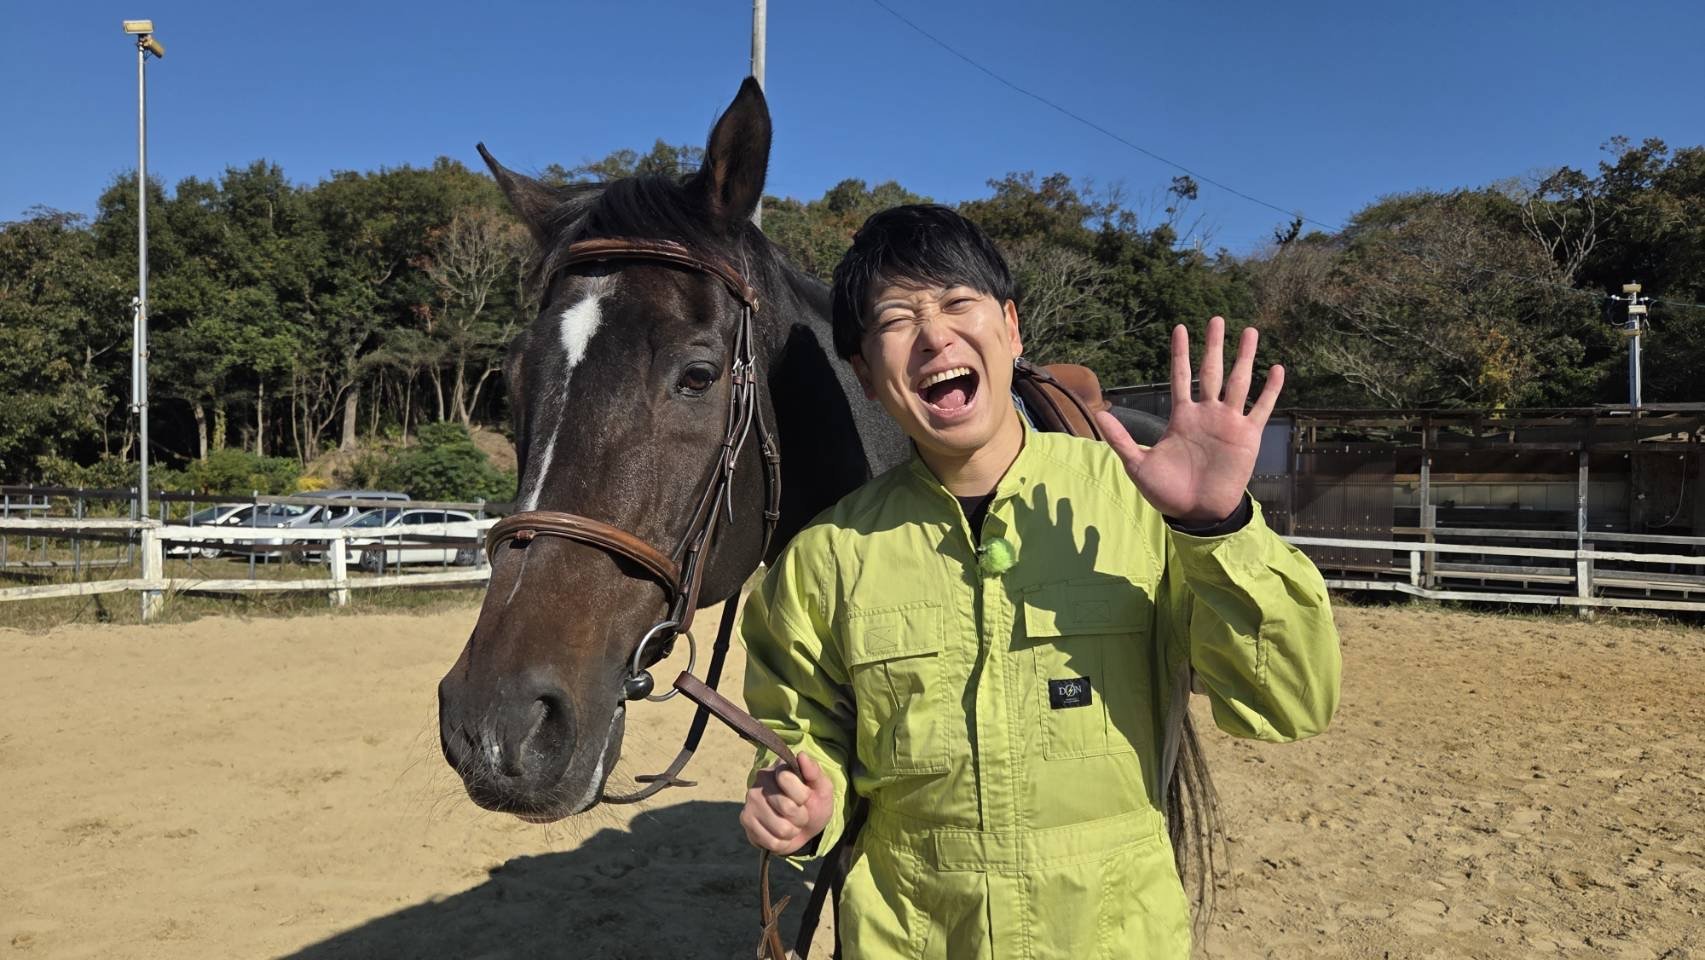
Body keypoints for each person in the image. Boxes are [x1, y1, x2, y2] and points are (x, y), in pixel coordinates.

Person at [738, 204, 1340, 958]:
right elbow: (798, 730)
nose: (934, 336)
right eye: (895, 319)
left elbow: (1289, 703)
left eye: (958, 302)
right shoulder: (825, 556)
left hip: (1113, 936)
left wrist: (1216, 527)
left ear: (1012, 328)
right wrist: (800, 802)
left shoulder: (1138, 502)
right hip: (910, 936)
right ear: (863, 375)